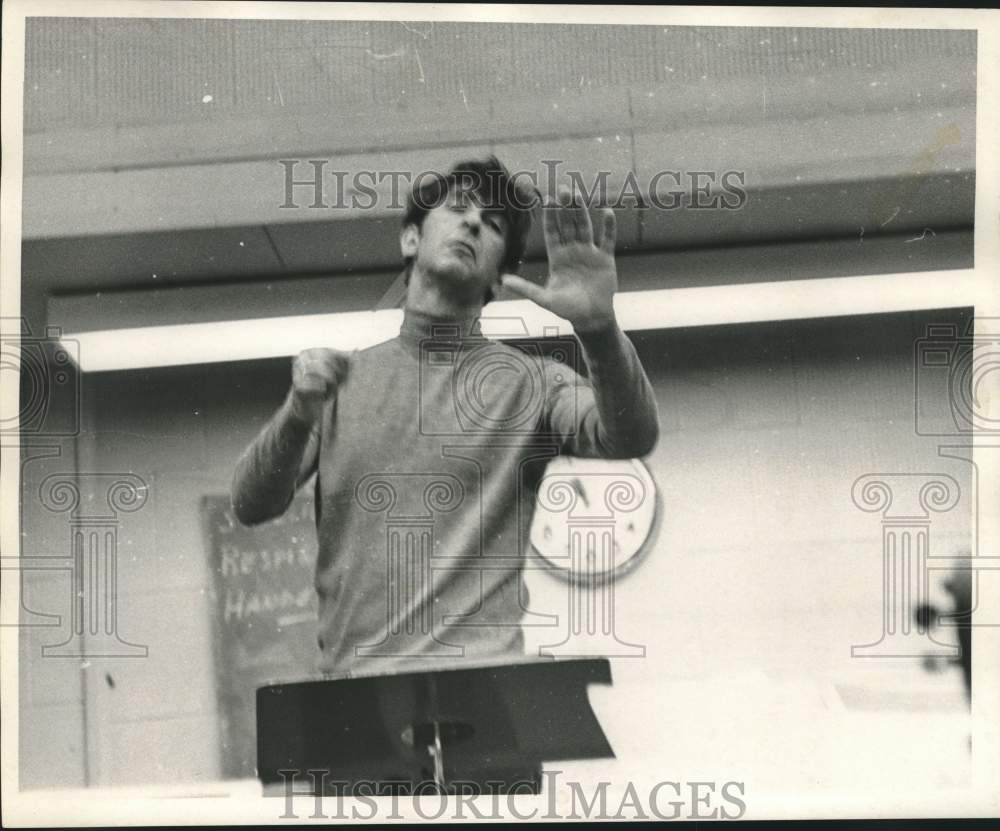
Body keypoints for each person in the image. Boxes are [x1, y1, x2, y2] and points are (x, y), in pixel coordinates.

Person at [231, 156, 659, 676]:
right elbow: (250, 503)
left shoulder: (533, 383)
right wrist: (297, 415)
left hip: (489, 689)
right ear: (410, 240)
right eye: (458, 208)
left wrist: (599, 329)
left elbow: (630, 437)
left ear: (497, 281)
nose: (474, 222)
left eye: (494, 224)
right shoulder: (340, 384)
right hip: (359, 693)